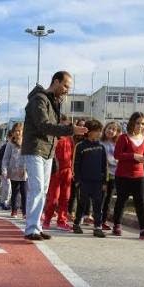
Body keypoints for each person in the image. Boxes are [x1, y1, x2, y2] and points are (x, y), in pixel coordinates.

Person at [21, 71, 87, 241]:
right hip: (35, 148)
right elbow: (44, 126)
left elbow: (53, 130)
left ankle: (36, 226)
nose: (67, 90)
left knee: (42, 191)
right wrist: (70, 129)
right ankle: (31, 229)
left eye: (69, 87)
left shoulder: (54, 102)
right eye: (65, 85)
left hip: (48, 151)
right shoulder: (39, 99)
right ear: (56, 82)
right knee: (36, 189)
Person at [112, 112, 144, 239]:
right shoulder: (123, 138)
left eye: (143, 123)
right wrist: (133, 156)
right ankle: (117, 225)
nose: (140, 126)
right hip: (123, 175)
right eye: (138, 123)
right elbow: (117, 155)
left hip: (139, 175)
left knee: (141, 202)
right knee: (121, 201)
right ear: (132, 123)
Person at [71, 119, 108, 238]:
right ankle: (76, 223)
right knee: (82, 203)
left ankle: (98, 227)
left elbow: (104, 165)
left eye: (100, 131)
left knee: (97, 205)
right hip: (84, 182)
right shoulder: (80, 146)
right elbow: (76, 164)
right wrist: (77, 180)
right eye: (97, 131)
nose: (99, 133)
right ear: (89, 132)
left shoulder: (101, 147)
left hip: (97, 182)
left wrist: (104, 182)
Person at [43, 114, 74, 231]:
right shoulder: (52, 139)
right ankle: (47, 219)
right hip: (55, 171)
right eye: (61, 125)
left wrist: (72, 170)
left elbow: (72, 155)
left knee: (65, 197)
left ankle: (62, 220)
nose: (63, 128)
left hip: (67, 171)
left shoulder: (69, 139)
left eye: (65, 126)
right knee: (54, 198)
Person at [2, 122, 26, 218]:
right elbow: (6, 158)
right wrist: (4, 170)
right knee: (14, 192)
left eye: (19, 131)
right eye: (15, 131)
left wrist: (25, 169)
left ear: (22, 131)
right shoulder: (10, 144)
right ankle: (14, 210)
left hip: (24, 172)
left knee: (24, 192)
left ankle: (25, 212)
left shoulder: (26, 143)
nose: (17, 133)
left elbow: (28, 157)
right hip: (13, 172)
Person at [100, 121, 121, 230]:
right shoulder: (99, 142)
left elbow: (118, 158)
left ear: (117, 132)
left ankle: (103, 220)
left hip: (113, 174)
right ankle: (96, 219)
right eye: (109, 128)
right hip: (101, 174)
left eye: (114, 129)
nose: (111, 131)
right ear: (105, 129)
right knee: (100, 198)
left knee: (108, 199)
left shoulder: (117, 144)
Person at [0, 130, 11, 210]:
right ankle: (4, 202)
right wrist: (1, 171)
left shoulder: (16, 146)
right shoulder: (4, 147)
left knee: (9, 188)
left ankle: (5, 202)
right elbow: (0, 159)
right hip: (4, 170)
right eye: (11, 137)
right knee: (7, 186)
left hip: (13, 170)